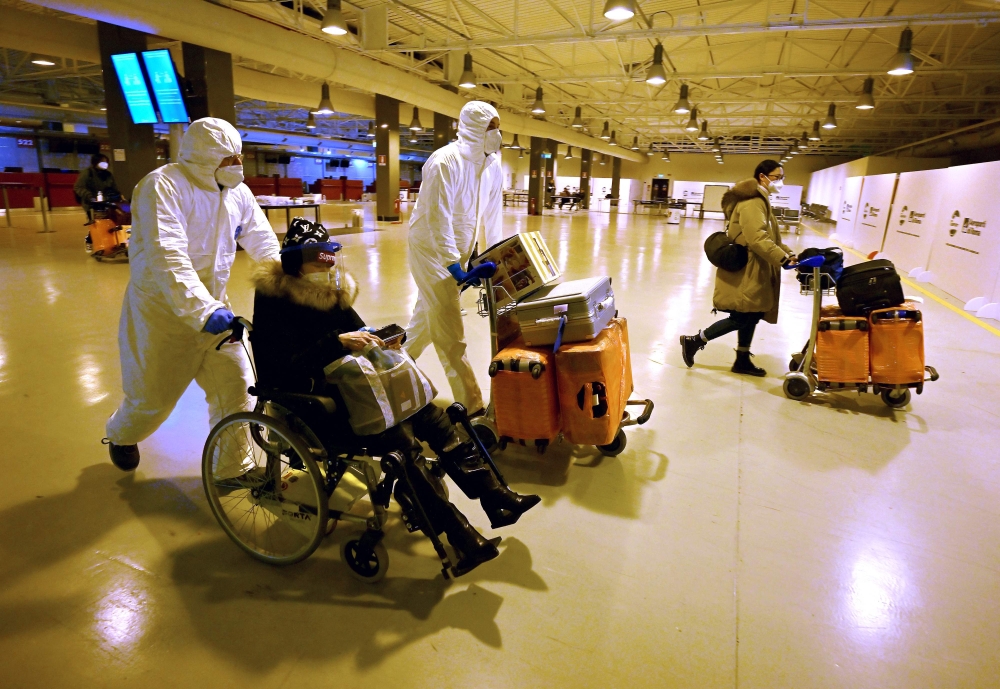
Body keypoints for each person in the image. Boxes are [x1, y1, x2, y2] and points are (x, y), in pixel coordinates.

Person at [250, 219, 540, 575]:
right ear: (296, 263)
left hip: (359, 390)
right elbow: (278, 370)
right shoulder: (273, 301)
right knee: (400, 446)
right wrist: (336, 344)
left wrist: (378, 338)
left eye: (330, 260)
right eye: (319, 260)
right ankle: (458, 534)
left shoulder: (331, 291)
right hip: (315, 402)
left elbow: (358, 330)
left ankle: (494, 496)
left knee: (431, 415)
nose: (328, 266)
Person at [104, 118, 281, 473]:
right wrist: (202, 311)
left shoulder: (237, 193)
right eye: (228, 158)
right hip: (163, 316)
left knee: (238, 389)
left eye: (239, 157)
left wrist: (282, 275)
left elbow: (260, 237)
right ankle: (122, 434)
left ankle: (232, 469)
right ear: (203, 157)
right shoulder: (162, 186)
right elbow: (167, 256)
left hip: (216, 312)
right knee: (151, 401)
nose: (237, 166)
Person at [404, 101, 505, 415]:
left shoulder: (492, 166)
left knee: (424, 322)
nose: (497, 134)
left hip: (457, 254)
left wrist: (497, 255)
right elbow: (438, 218)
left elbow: (492, 214)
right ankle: (473, 405)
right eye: (492, 127)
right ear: (475, 127)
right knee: (450, 328)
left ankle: (391, 371)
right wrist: (452, 265)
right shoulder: (444, 161)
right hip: (430, 251)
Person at [679, 160, 797, 377]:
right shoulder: (753, 202)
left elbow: (770, 237)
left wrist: (788, 253)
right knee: (743, 316)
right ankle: (695, 341)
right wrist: (782, 259)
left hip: (756, 267)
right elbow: (757, 238)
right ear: (763, 177)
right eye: (777, 176)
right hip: (749, 269)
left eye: (782, 177)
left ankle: (742, 358)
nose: (780, 181)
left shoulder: (761, 200)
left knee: (751, 312)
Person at [75, 153, 121, 223]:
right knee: (95, 223)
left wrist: (117, 196)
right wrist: (89, 196)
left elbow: (114, 187)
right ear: (95, 162)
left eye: (106, 162)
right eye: (102, 162)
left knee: (108, 222)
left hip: (106, 203)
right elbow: (78, 187)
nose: (105, 164)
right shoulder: (88, 173)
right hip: (91, 204)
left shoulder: (108, 174)